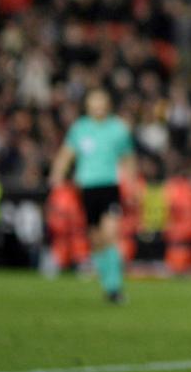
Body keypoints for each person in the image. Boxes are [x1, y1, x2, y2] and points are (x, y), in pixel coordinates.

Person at [49, 89, 135, 304]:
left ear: (108, 104)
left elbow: (128, 159)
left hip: (109, 186)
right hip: (86, 189)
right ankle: (107, 283)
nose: (97, 106)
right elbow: (67, 153)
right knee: (96, 239)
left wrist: (132, 185)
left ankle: (114, 286)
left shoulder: (117, 129)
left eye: (101, 101)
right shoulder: (80, 128)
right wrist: (57, 175)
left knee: (111, 234)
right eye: (93, 102)